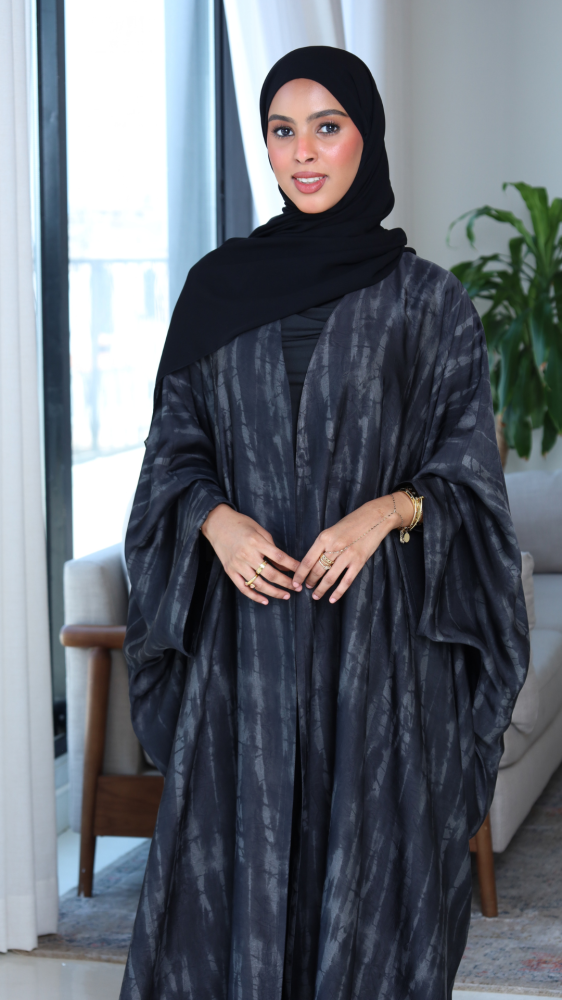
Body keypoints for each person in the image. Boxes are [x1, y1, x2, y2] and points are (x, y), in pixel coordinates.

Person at [120, 46, 529, 1000]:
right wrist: (214, 520)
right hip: (245, 651)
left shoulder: (428, 302)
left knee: (372, 889)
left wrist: (385, 513)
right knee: (230, 888)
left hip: (379, 654)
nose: (303, 152)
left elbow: (471, 475)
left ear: (365, 138)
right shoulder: (215, 289)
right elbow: (171, 456)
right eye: (282, 130)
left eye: (327, 127)